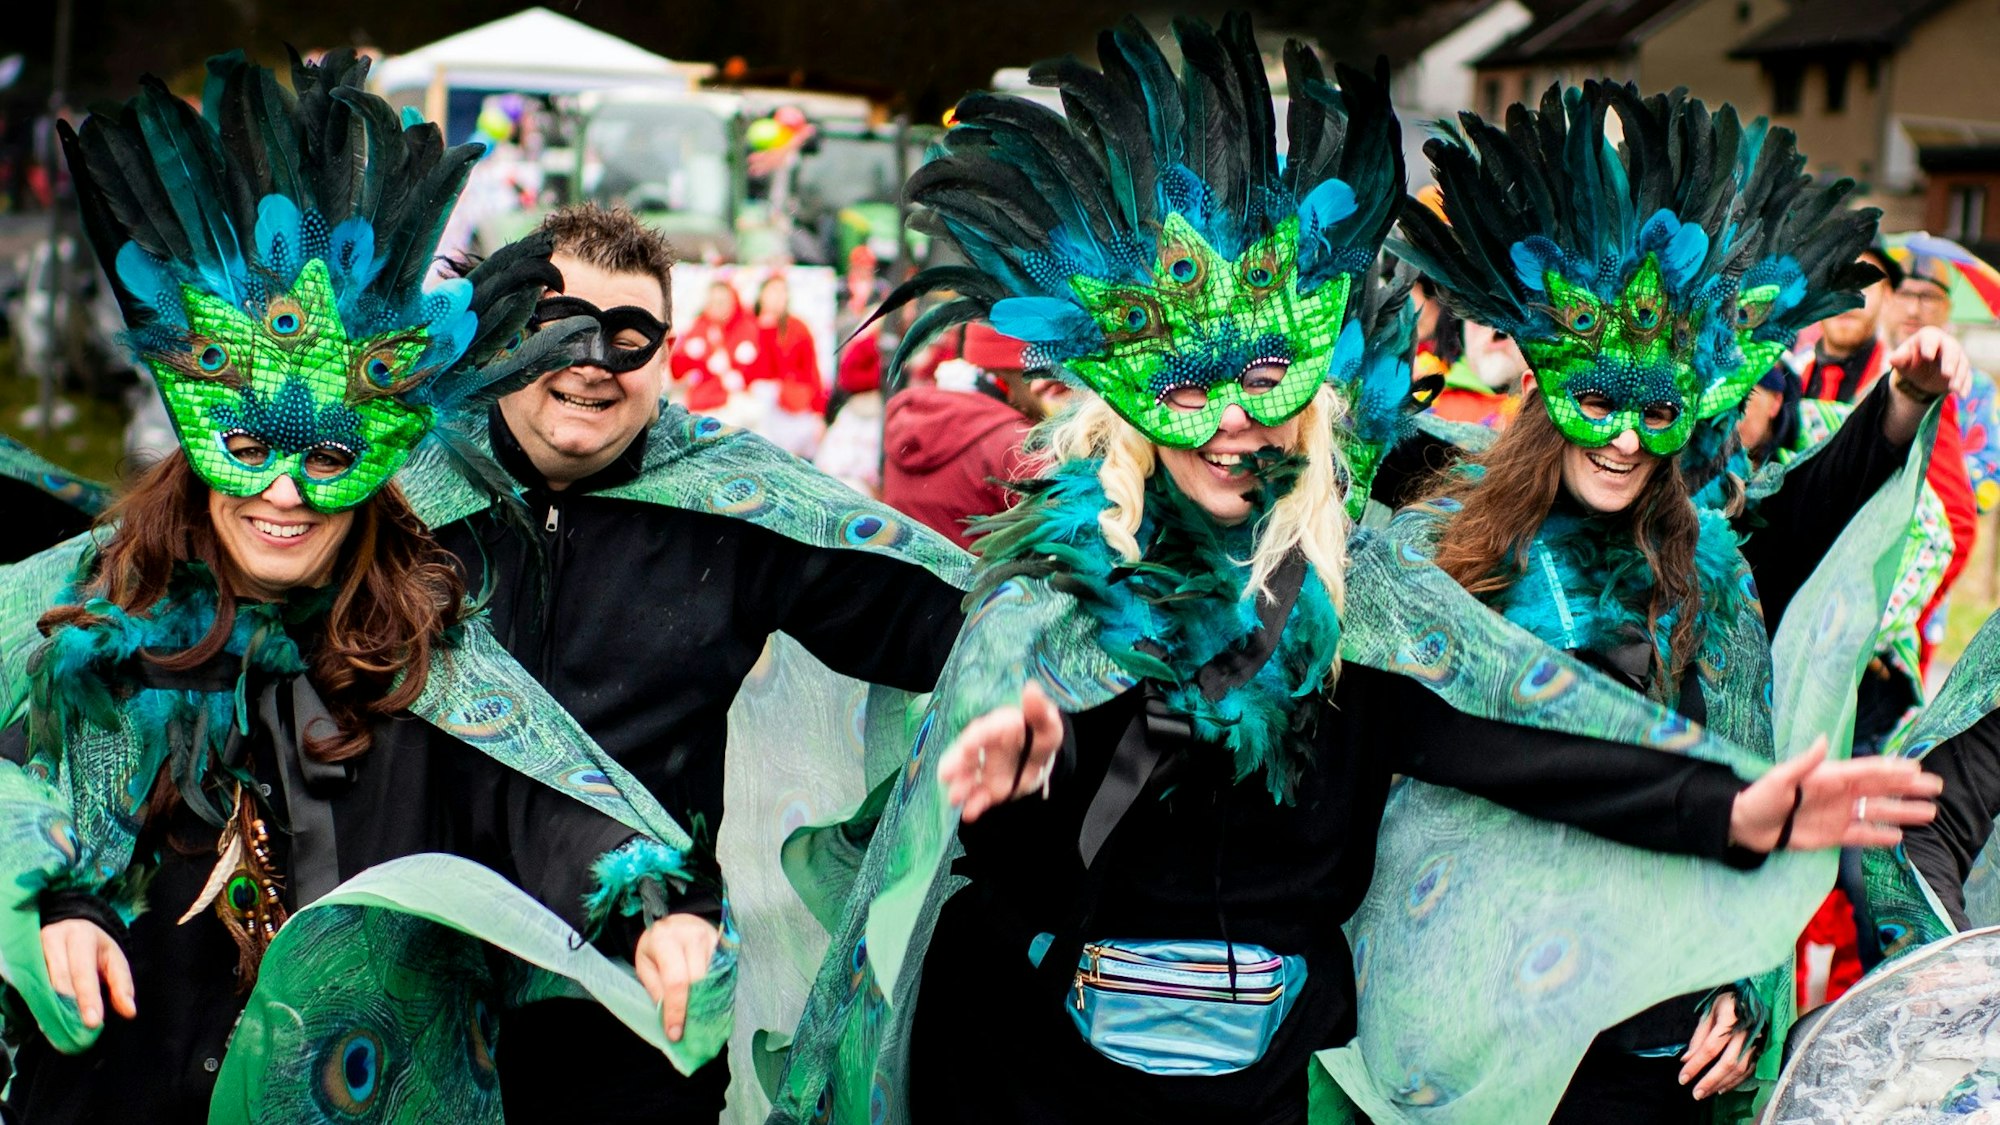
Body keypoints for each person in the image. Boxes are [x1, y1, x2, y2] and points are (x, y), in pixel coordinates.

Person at [767, 23, 1939, 1125]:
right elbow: (1021, 878)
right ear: (1120, 405)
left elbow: (1512, 742)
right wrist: (1022, 785)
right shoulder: (1048, 611)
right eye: (1184, 389)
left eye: (1265, 374)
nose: (1233, 422)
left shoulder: (1362, 596)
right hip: (1037, 1075)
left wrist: (1730, 806)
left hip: (1267, 1079)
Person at [7, 51, 711, 1120]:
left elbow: (544, 803)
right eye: (247, 446)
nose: (283, 493)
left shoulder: (422, 643)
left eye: (330, 459)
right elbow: (19, 785)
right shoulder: (83, 613)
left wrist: (656, 910)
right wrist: (52, 907)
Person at [1397, 80, 1969, 1122]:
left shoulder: (1703, 562)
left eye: (1652, 409)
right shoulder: (1455, 557)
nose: (1623, 437)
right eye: (1598, 402)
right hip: (1494, 1036)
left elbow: (1794, 534)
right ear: (1546, 387)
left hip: (1662, 1043)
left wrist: (1739, 991)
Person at [417, 202, 971, 1122]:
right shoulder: (399, 493)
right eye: (560, 329)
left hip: (644, 985)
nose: (592, 363)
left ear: (666, 354)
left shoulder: (731, 502)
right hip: (414, 978)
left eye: (628, 336)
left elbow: (944, 620)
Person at [880, 323, 1041, 548]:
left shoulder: (912, 417)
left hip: (902, 578)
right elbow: (1046, 537)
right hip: (976, 581)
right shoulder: (1013, 441)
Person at [752, 273, 827, 457]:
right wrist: (766, 329)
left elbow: (811, 371)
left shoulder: (798, 329)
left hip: (794, 405)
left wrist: (819, 412)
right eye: (773, 290)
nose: (778, 296)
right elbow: (755, 372)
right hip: (759, 405)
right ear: (762, 295)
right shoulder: (749, 327)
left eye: (782, 291)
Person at [669, 278, 764, 423]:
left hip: (736, 402)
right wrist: (692, 358)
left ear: (732, 302)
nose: (718, 307)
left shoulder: (746, 327)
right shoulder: (698, 327)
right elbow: (677, 370)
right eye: (713, 302)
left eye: (722, 302)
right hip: (701, 401)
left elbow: (757, 368)